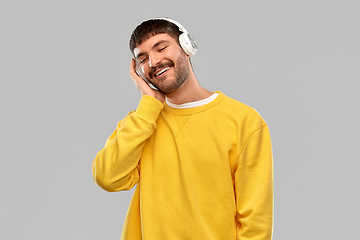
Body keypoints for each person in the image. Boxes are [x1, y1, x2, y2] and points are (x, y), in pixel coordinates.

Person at [92, 17, 273, 239]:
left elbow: (256, 222)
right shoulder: (142, 122)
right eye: (143, 58)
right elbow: (107, 177)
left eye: (161, 48)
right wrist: (149, 105)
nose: (154, 61)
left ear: (187, 47)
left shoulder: (244, 121)